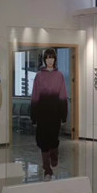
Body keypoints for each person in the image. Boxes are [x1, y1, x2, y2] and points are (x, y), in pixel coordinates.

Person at [30, 48, 68, 181]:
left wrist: (64, 115)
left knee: (53, 140)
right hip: (42, 114)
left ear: (55, 59)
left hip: (55, 114)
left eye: (52, 57)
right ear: (44, 60)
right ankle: (47, 170)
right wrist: (33, 116)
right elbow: (35, 96)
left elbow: (63, 96)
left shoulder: (59, 76)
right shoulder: (39, 76)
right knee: (43, 141)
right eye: (47, 58)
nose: (49, 60)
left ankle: (54, 158)